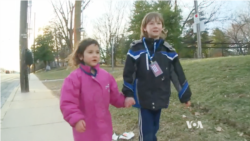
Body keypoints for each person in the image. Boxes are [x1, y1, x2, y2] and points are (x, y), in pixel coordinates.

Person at [122, 12, 192, 141]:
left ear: (162, 27)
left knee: (154, 129)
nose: (156, 26)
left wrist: (184, 95)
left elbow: (177, 74)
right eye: (151, 23)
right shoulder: (136, 49)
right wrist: (129, 94)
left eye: (158, 23)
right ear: (144, 27)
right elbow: (129, 73)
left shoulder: (168, 50)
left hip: (160, 96)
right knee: (146, 133)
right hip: (144, 98)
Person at [60, 38, 135, 141]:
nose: (95, 55)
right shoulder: (73, 79)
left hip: (104, 129)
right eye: (90, 52)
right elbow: (68, 103)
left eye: (97, 52)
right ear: (81, 56)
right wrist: (76, 119)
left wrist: (124, 100)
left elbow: (114, 96)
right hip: (85, 129)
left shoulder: (106, 76)